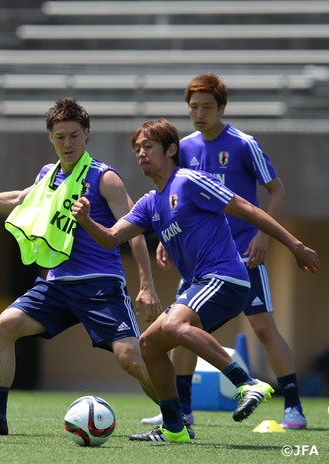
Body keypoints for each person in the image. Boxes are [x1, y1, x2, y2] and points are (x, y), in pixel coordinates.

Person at [72, 118, 319, 443]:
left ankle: (247, 382)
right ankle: (175, 427)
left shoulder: (190, 180)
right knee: (148, 345)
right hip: (201, 284)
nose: (141, 153)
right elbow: (109, 238)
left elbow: (247, 208)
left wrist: (295, 246)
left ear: (171, 149)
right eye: (137, 149)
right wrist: (87, 219)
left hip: (227, 278)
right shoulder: (149, 203)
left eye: (148, 146)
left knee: (175, 325)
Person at [0, 97, 163, 437]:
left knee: (131, 360)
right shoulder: (48, 175)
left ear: (86, 135)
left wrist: (146, 285)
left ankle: (177, 419)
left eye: (74, 135)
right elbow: (21, 198)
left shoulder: (105, 178)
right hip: (56, 284)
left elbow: (134, 232)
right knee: (3, 327)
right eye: (60, 136)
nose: (68, 143)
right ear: (51, 138)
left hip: (99, 285)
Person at [140, 74, 308, 430]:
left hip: (244, 254)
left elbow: (276, 190)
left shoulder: (244, 144)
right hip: (200, 262)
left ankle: (293, 405)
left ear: (222, 108)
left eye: (206, 107)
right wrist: (168, 244)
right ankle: (182, 409)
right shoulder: (182, 148)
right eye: (193, 107)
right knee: (181, 328)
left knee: (263, 328)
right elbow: (172, 200)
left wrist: (264, 235)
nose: (199, 113)